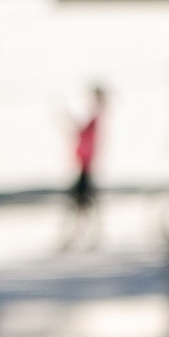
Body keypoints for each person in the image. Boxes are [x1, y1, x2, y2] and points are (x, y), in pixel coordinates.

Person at [64, 86, 108, 247]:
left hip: (86, 166)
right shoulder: (95, 118)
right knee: (84, 203)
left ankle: (77, 236)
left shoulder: (94, 119)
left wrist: (68, 118)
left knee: (80, 203)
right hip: (85, 165)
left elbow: (81, 131)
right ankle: (84, 235)